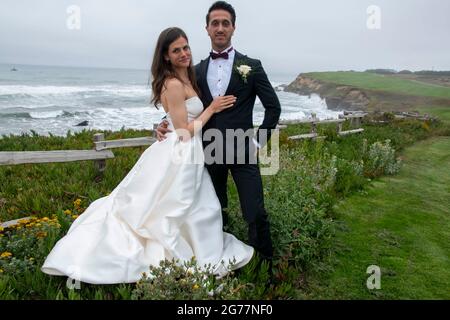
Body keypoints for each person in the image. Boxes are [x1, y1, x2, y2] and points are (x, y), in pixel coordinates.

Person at [41, 27, 254, 284]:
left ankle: (196, 247)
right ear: (165, 56)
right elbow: (185, 131)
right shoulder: (173, 84)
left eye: (186, 47)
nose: (184, 53)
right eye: (176, 50)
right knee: (177, 207)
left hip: (186, 150)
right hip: (182, 149)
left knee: (193, 206)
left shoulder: (186, 77)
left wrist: (164, 122)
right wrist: (210, 109)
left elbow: (178, 117)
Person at [156, 2, 281, 268]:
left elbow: (273, 108)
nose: (220, 28)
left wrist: (258, 142)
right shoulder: (196, 71)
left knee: (255, 211)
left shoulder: (252, 66)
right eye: (215, 23)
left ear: (233, 27)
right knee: (212, 212)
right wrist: (163, 123)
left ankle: (265, 268)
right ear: (207, 29)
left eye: (226, 23)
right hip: (206, 152)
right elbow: (184, 107)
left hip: (242, 151)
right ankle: (219, 263)